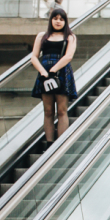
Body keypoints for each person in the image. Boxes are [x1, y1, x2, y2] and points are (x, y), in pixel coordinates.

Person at [30, 8, 77, 147]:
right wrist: (44, 72)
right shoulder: (41, 36)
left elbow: (68, 56)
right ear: (51, 20)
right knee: (48, 110)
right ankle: (49, 144)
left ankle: (60, 145)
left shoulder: (70, 37)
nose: (58, 21)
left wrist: (53, 70)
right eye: (55, 18)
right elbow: (34, 56)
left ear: (65, 22)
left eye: (61, 19)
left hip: (61, 73)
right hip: (44, 74)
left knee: (62, 110)